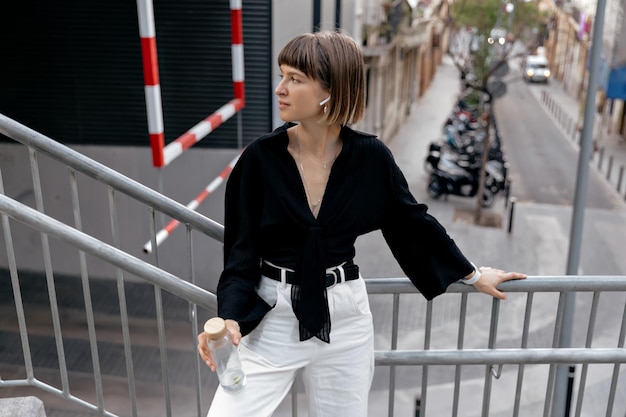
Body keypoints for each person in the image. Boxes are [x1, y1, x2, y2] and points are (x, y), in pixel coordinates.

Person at [197, 30, 526, 417]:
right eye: (281, 75)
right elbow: (240, 254)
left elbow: (410, 223)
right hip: (273, 316)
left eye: (295, 79)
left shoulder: (370, 159)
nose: (279, 88)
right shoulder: (259, 161)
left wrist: (472, 275)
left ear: (330, 91)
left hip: (346, 318)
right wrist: (231, 318)